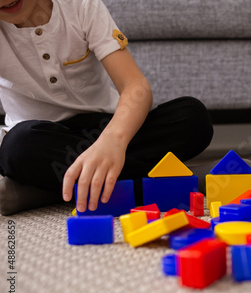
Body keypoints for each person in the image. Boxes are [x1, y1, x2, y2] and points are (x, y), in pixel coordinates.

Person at [0, 0, 214, 215]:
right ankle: (186, 182)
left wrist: (114, 141)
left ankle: (43, 192)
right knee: (18, 147)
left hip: (105, 128)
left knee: (192, 117)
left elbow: (134, 85)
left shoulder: (82, 6)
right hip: (43, 141)